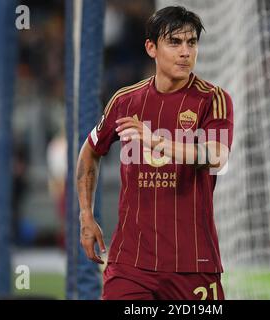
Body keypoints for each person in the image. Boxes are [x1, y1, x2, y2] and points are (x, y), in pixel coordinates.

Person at [76, 6, 233, 300]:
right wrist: (86, 214)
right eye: (175, 42)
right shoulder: (124, 101)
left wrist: (157, 142)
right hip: (130, 264)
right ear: (151, 48)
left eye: (192, 43)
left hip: (193, 263)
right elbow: (89, 152)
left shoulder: (213, 99)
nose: (185, 52)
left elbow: (216, 156)